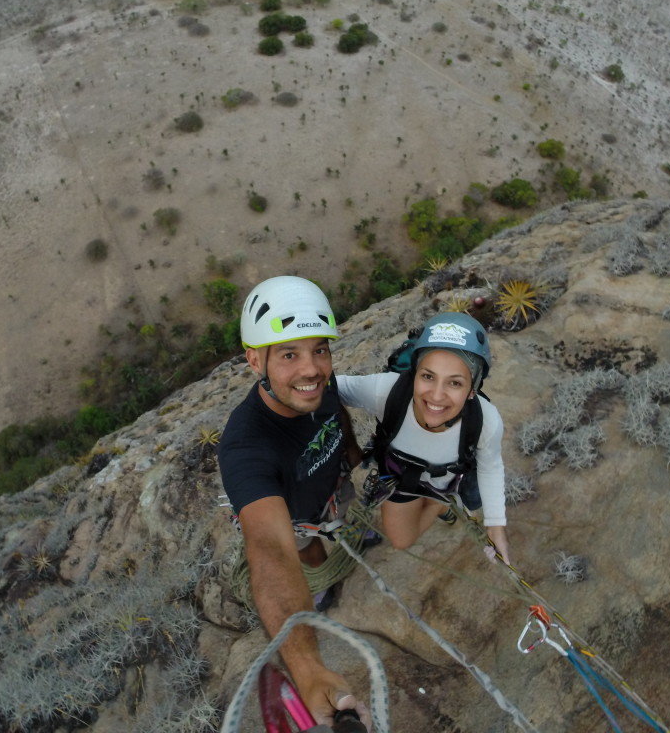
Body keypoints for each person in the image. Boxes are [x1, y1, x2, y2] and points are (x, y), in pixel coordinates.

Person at [218, 275, 371, 730]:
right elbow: (269, 547)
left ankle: (335, 552)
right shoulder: (246, 447)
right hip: (299, 519)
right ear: (254, 360)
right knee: (306, 551)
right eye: (289, 354)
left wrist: (352, 451)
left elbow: (335, 409)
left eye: (319, 349)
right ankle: (318, 589)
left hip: (330, 493)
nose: (311, 370)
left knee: (337, 524)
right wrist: (306, 668)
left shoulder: (317, 389)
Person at [337, 312, 511, 564]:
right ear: (414, 373)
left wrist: (495, 525)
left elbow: (491, 467)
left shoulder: (486, 420)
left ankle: (442, 503)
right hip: (399, 480)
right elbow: (327, 388)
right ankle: (443, 505)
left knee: (407, 532)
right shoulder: (387, 392)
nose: (436, 396)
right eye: (428, 376)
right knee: (401, 540)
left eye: (455, 383)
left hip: (441, 482)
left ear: (473, 389)